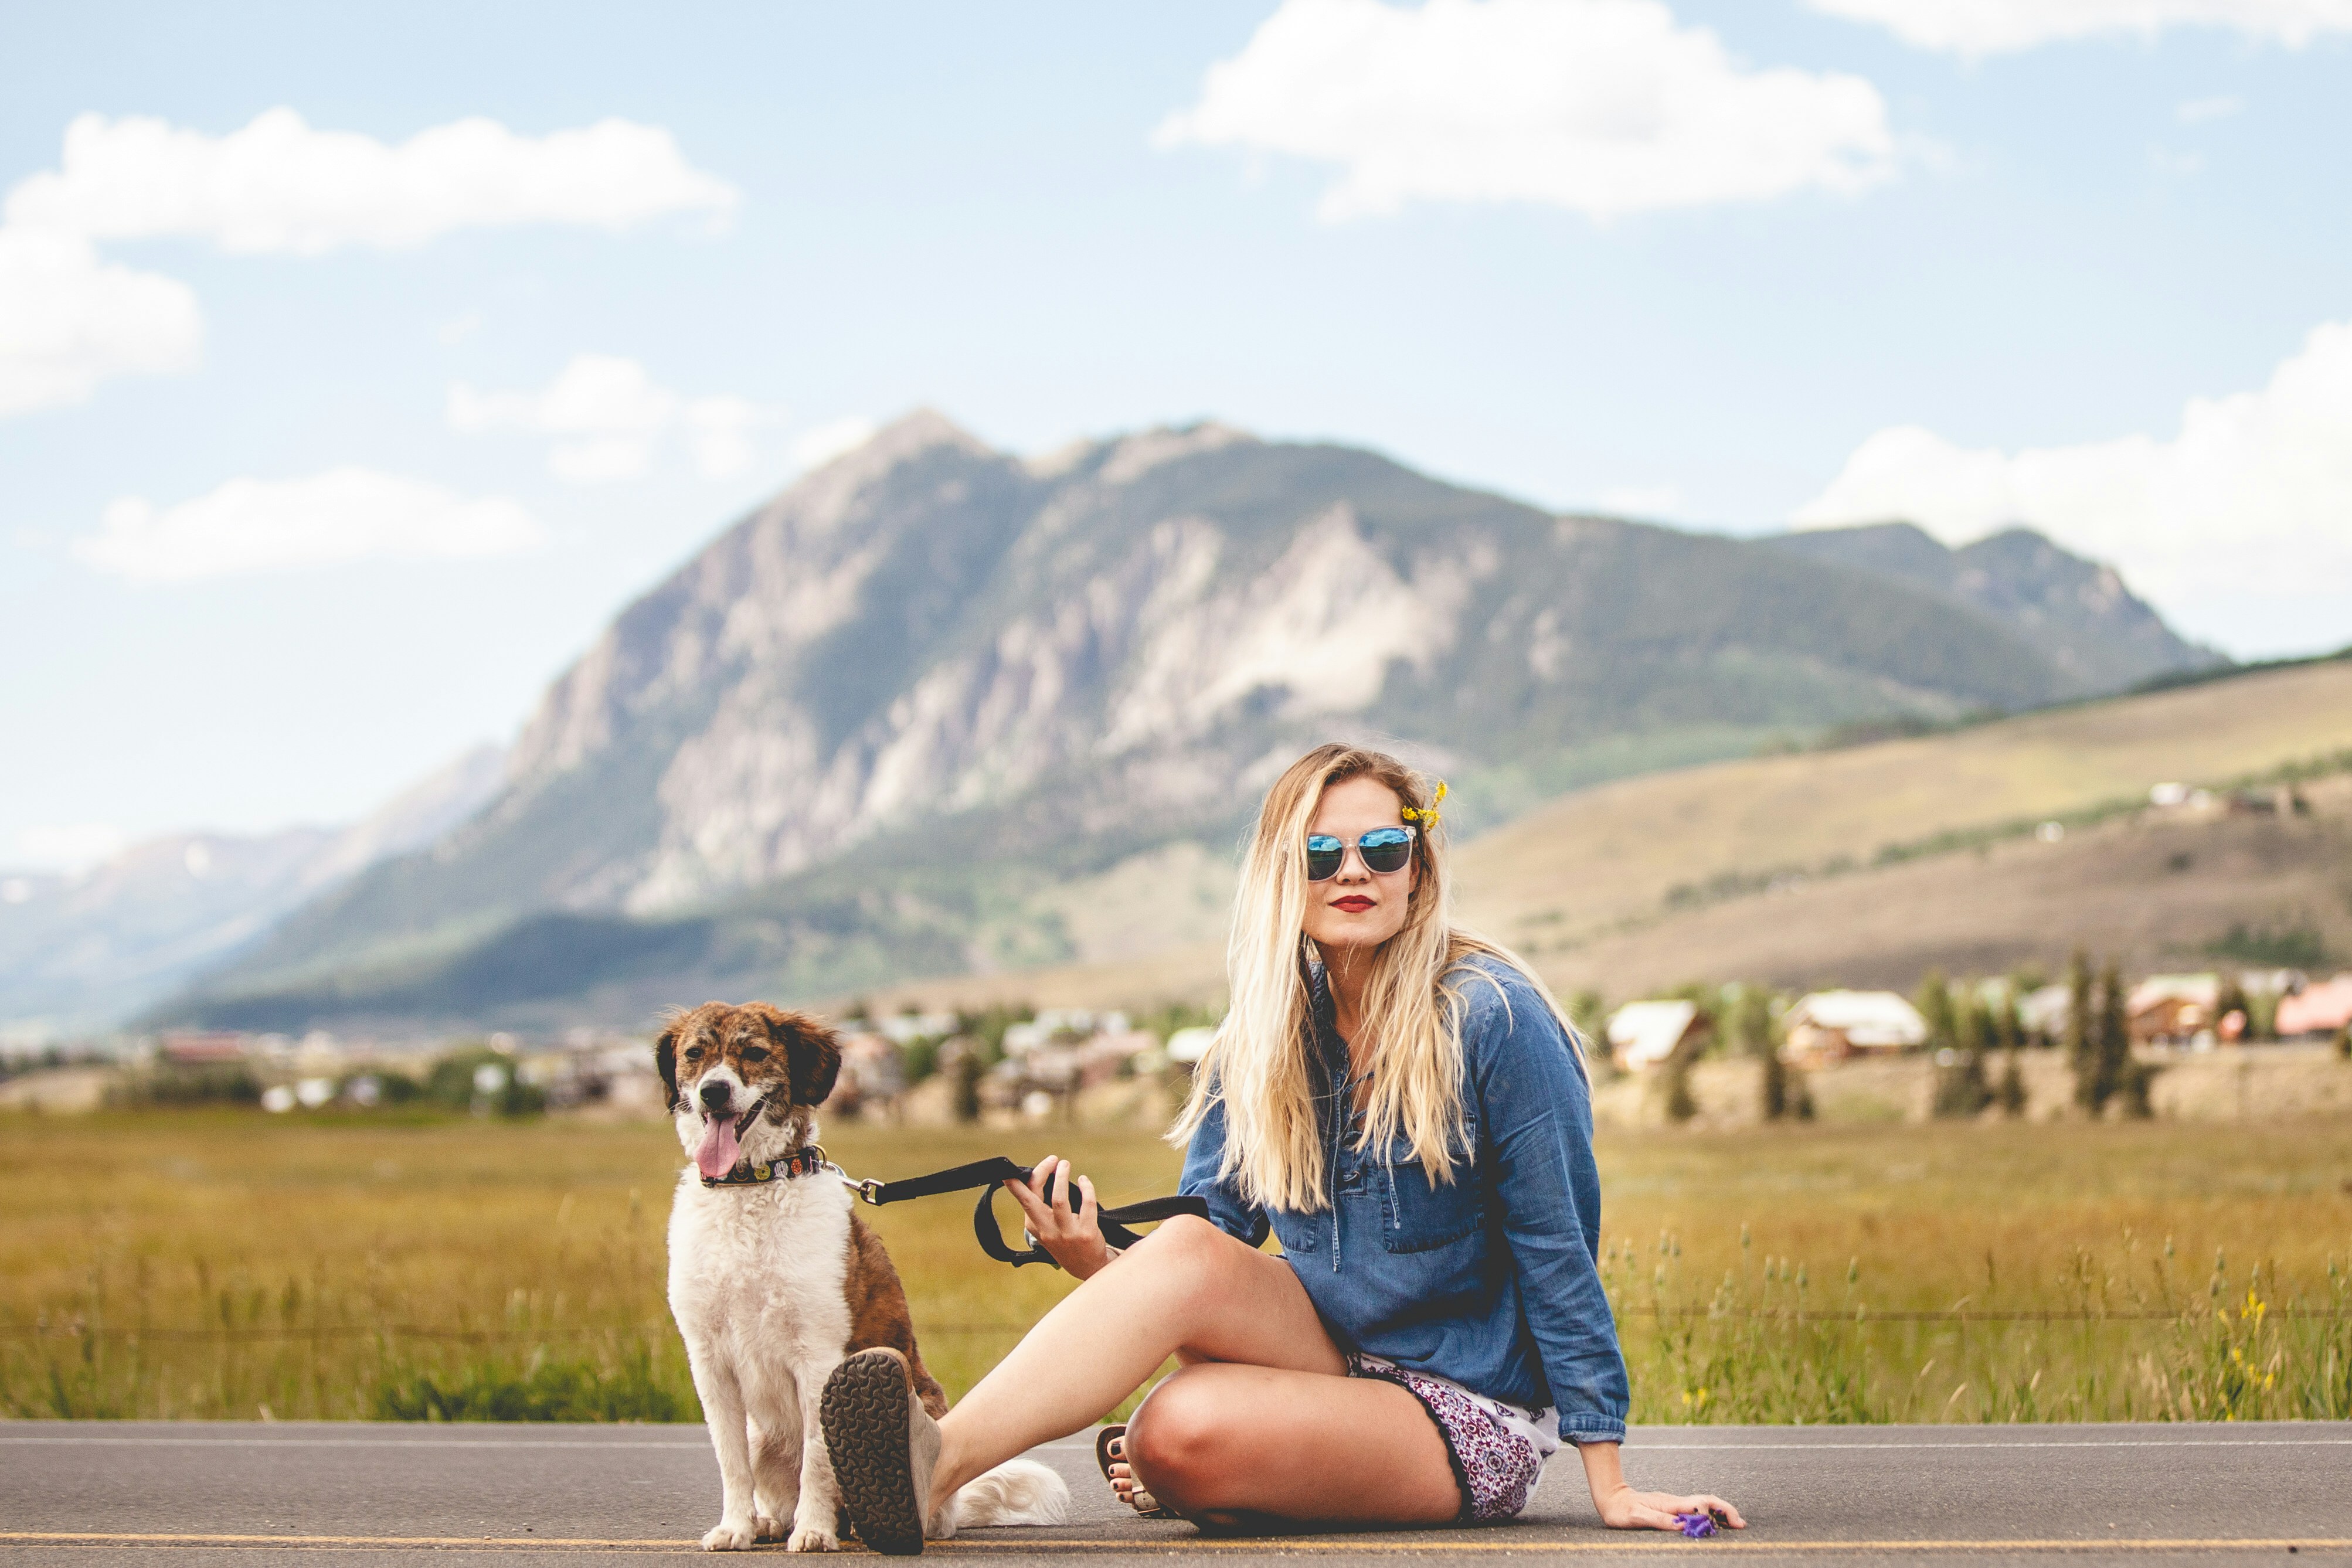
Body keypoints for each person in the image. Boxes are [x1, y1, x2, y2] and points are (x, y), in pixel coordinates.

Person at [818, 743, 1744, 1546]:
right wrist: (1091, 1253)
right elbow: (1205, 1251)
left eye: (1384, 848)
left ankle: (1157, 1474)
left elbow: (1557, 1248)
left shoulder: (1495, 1017)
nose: (1356, 872)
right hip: (1325, 1357)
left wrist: (1610, 1482)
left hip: (1469, 1409)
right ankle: (932, 1472)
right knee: (1183, 1261)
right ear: (1281, 874)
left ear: (1417, 867)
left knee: (1168, 1434)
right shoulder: (1260, 1040)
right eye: (1322, 853)